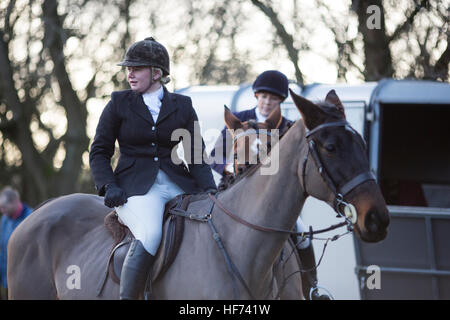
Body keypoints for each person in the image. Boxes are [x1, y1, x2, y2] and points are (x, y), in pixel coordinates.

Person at [89, 37, 217, 300]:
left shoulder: (182, 106)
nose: (130, 73)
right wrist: (108, 185)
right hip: (133, 189)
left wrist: (210, 192)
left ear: (157, 73)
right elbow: (100, 151)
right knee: (150, 234)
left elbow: (195, 156)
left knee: (209, 226)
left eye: (137, 68)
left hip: (176, 184)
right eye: (128, 68)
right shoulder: (118, 103)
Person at [209, 70, 329, 300]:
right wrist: (232, 168)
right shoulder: (237, 119)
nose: (267, 102)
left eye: (273, 98)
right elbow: (215, 158)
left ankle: (312, 287)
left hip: (276, 203)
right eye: (263, 96)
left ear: (280, 101)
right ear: (256, 96)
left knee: (302, 233)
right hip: (237, 199)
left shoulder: (289, 127)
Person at [0, 186, 33, 300]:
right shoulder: (4, 219)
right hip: (6, 280)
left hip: (25, 281)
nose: (1, 211)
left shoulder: (32, 219)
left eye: (4, 207)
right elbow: (2, 248)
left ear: (14, 202)